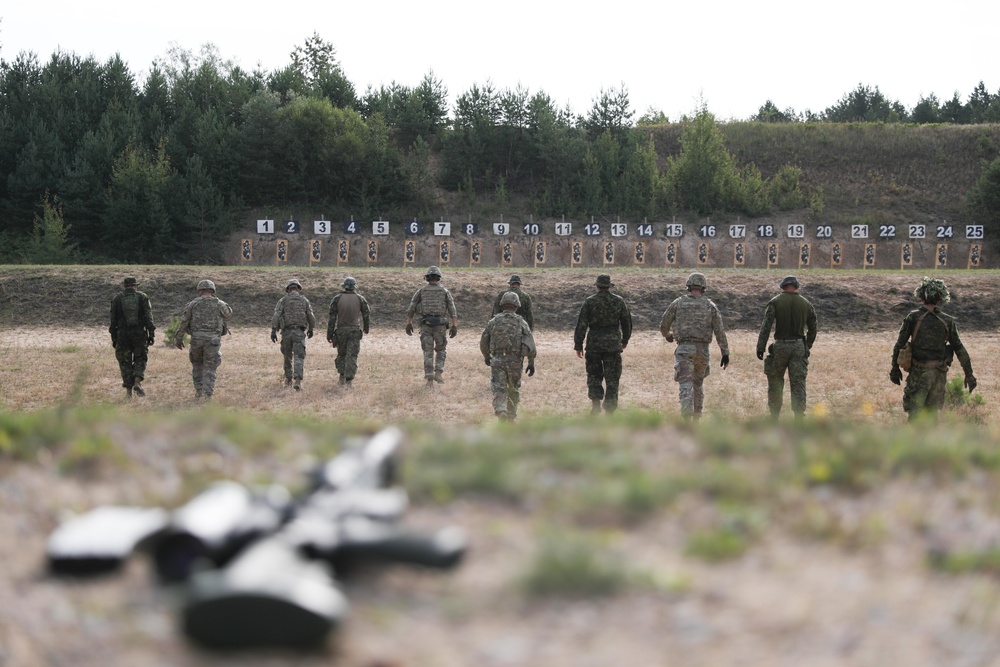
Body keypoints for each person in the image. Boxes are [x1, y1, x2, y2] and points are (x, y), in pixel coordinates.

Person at [890, 277, 976, 421]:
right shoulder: (947, 321)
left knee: (914, 416)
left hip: (918, 374)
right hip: (938, 375)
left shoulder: (913, 317)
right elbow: (959, 348)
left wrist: (894, 369)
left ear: (921, 298)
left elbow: (899, 345)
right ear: (939, 300)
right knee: (932, 417)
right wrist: (969, 374)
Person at [659, 272, 730, 421]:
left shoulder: (678, 303)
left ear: (688, 286)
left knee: (685, 383)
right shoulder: (710, 306)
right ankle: (697, 419)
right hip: (702, 351)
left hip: (684, 349)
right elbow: (720, 331)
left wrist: (668, 336)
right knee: (698, 384)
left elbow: (664, 324)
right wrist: (725, 353)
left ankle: (686, 420)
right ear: (703, 287)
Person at [756, 275, 818, 421]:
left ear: (783, 287)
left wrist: (761, 347)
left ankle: (774, 416)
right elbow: (813, 327)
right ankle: (798, 417)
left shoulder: (775, 302)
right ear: (796, 287)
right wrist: (807, 345)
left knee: (775, 381)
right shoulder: (806, 304)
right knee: (798, 383)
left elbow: (766, 326)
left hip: (780, 346)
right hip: (798, 347)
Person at [574, 274, 632, 414]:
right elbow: (627, 323)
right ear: (609, 286)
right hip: (612, 344)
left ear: (597, 286)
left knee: (593, 374)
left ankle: (595, 404)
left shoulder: (590, 302)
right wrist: (625, 340)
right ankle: (610, 410)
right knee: (612, 378)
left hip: (594, 343)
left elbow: (581, 324)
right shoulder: (619, 301)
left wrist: (578, 344)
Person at [174, 279, 233, 400]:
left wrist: (179, 338)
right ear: (212, 290)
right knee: (210, 367)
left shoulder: (193, 304)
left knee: (197, 365)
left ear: (200, 290)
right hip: (212, 341)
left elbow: (184, 322)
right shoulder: (219, 303)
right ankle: (207, 394)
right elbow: (228, 314)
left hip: (196, 340)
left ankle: (198, 391)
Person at [481, 291, 536, 421]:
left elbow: (484, 340)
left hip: (498, 360)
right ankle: (511, 416)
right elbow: (530, 343)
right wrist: (531, 362)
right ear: (516, 306)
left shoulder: (494, 321)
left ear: (502, 305)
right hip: (515, 361)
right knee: (513, 388)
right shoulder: (521, 322)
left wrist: (486, 356)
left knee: (499, 387)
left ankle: (501, 411)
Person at [405, 266, 458, 387]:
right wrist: (454, 325)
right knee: (441, 349)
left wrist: (409, 323)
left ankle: (429, 379)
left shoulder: (421, 291)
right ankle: (438, 372)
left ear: (427, 278)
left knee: (428, 352)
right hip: (440, 325)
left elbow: (411, 308)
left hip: (426, 325)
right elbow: (452, 309)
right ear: (438, 278)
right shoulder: (445, 291)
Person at [108, 276, 155, 398]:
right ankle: (137, 382)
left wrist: (114, 337)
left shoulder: (117, 299)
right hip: (139, 333)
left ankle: (128, 392)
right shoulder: (142, 297)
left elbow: (113, 321)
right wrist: (151, 333)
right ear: (135, 286)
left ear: (125, 286)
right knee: (140, 358)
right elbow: (149, 317)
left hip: (122, 335)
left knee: (125, 362)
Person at [270, 279, 317, 391]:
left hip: (286, 333)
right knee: (299, 356)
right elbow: (311, 316)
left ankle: (288, 380)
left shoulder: (283, 300)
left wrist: (273, 330)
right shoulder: (304, 300)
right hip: (299, 333)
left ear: (288, 289)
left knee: (287, 357)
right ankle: (298, 381)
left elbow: (276, 315)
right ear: (298, 289)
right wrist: (311, 329)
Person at [327, 276, 371, 388]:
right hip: (354, 331)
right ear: (354, 287)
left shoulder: (337, 299)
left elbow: (332, 318)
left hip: (341, 331)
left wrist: (329, 334)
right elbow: (366, 314)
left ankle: (341, 378)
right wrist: (366, 328)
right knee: (352, 355)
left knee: (341, 354)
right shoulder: (360, 299)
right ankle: (349, 381)